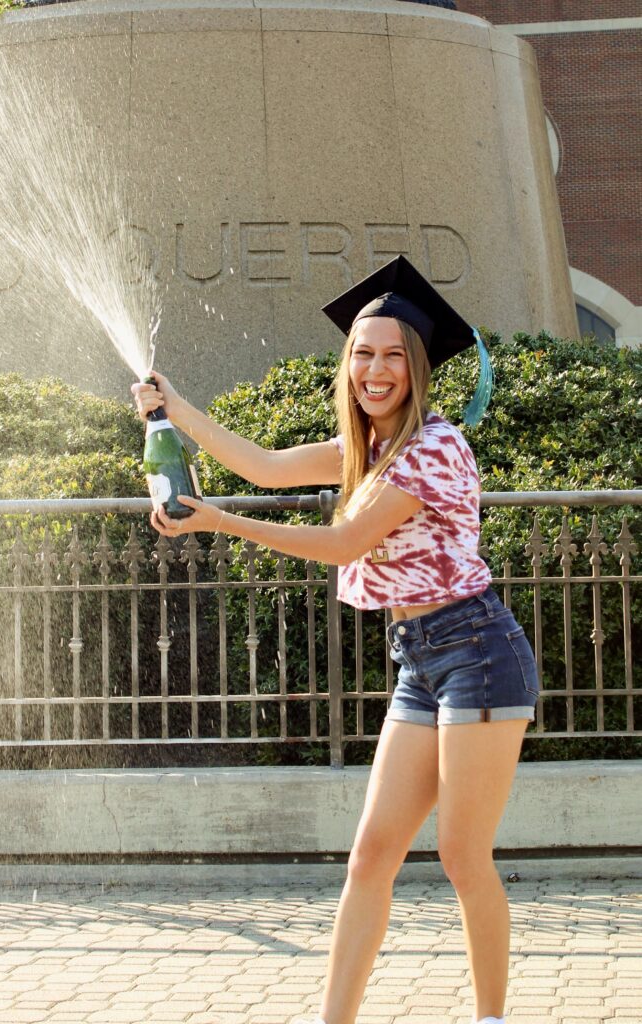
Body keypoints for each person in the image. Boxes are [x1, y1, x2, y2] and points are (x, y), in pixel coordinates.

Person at [131, 255, 540, 1024]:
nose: (374, 369)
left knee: (460, 855)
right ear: (347, 363)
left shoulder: (433, 448)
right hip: (421, 660)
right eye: (362, 352)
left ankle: (492, 1019)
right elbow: (264, 465)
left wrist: (218, 520)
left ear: (418, 368)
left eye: (392, 355)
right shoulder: (369, 452)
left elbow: (346, 543)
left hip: (480, 654)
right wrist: (173, 408)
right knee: (370, 857)